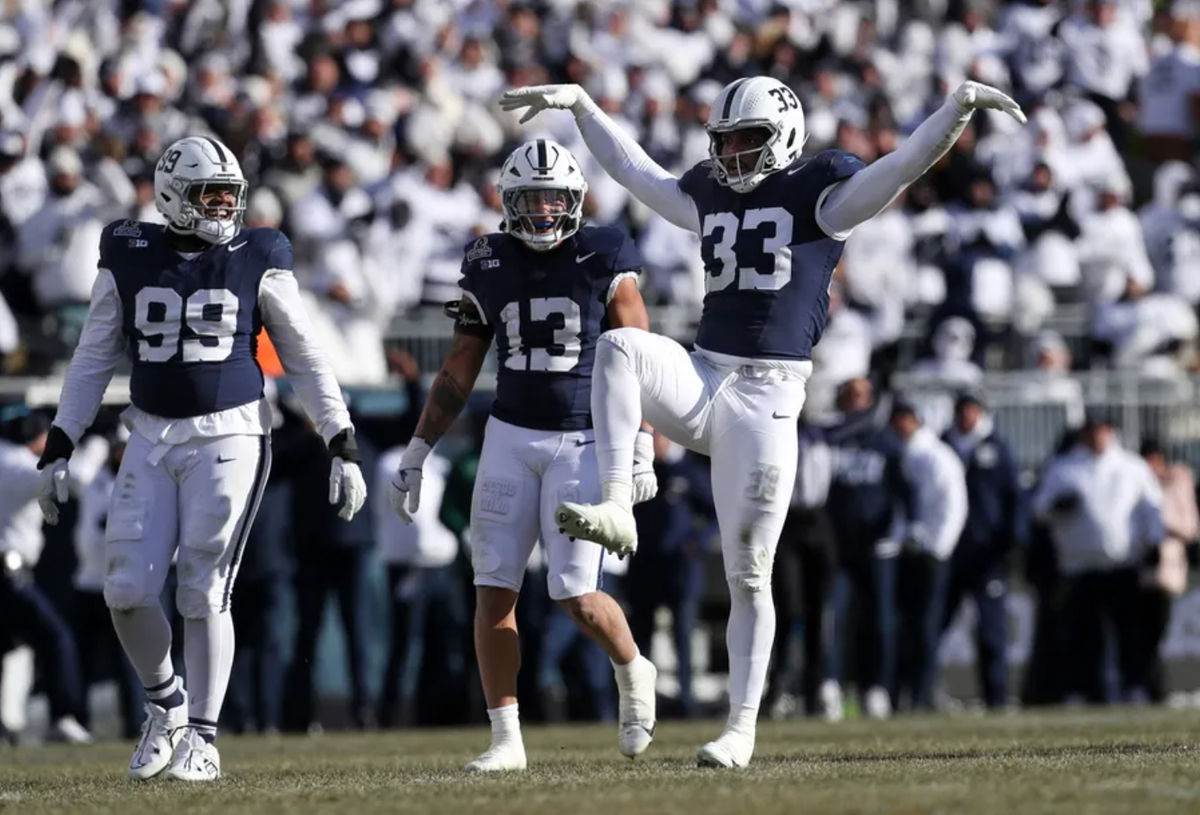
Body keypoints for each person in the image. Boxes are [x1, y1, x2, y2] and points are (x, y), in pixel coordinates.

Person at [500, 76, 1026, 766]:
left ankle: (740, 727)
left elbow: (901, 167)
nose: (735, 155)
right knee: (620, 347)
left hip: (767, 399)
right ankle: (622, 499)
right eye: (726, 142)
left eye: (749, 140)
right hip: (706, 372)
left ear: (785, 137)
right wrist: (583, 105)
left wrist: (954, 108)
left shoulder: (824, 195)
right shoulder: (713, 193)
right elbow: (636, 171)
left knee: (749, 570)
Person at [35, 136, 367, 781]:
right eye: (207, 195)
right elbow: (94, 356)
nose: (222, 207)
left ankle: (205, 739)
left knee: (204, 586)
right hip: (150, 433)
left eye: (229, 195)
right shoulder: (128, 252)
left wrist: (340, 437)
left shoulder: (260, 253)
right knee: (126, 589)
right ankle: (167, 706)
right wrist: (61, 439)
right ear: (169, 197)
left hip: (232, 433)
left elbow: (303, 352)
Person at [388, 139, 657, 772]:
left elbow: (638, 353)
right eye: (528, 201)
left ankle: (633, 666)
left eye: (551, 200)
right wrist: (419, 447)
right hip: (510, 433)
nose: (540, 213)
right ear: (509, 203)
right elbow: (459, 367)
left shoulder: (605, 251)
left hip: (583, 437)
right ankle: (506, 738)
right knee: (493, 589)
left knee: (575, 595)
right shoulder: (487, 259)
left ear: (574, 202)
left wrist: (642, 442)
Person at [942, 392, 1023, 710]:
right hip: (947, 553)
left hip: (987, 555)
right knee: (932, 626)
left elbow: (1013, 498)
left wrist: (1011, 542)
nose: (966, 418)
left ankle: (997, 697)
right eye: (961, 411)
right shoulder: (943, 447)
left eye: (971, 411)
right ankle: (916, 694)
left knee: (992, 631)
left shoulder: (997, 449)